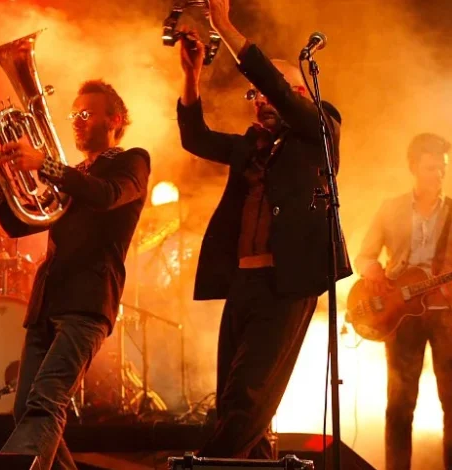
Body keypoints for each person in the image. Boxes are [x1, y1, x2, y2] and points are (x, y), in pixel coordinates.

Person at [174, 0, 351, 459]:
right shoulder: (253, 148)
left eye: (269, 94)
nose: (260, 102)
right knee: (238, 405)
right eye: (254, 97)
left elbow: (279, 88)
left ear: (295, 93)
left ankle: (207, 466)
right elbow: (195, 138)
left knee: (245, 401)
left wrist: (226, 28)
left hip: (285, 284)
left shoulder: (319, 128)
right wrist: (192, 77)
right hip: (244, 284)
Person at [0, 79, 150, 469]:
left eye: (86, 114)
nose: (76, 121)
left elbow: (106, 195)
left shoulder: (131, 161)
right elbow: (22, 226)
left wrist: (44, 164)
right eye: (73, 114)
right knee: (28, 410)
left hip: (87, 302)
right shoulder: (72, 173)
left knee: (45, 401)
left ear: (114, 119)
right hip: (47, 301)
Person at [355, 133, 452, 470]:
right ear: (413, 168)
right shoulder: (391, 208)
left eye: (442, 169)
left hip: (449, 317)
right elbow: (365, 255)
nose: (438, 176)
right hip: (402, 314)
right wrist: (373, 272)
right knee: (399, 406)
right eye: (431, 169)